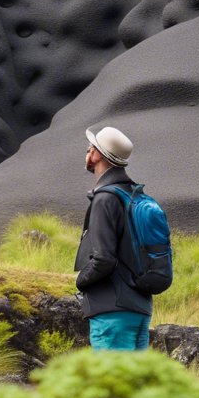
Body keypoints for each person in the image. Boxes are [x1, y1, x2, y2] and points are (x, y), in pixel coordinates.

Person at [74, 125, 153, 350]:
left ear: (98, 155)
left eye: (91, 148)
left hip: (112, 312)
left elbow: (103, 260)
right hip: (140, 310)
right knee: (134, 383)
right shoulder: (135, 196)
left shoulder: (105, 199)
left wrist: (80, 281)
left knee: (112, 384)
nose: (87, 152)